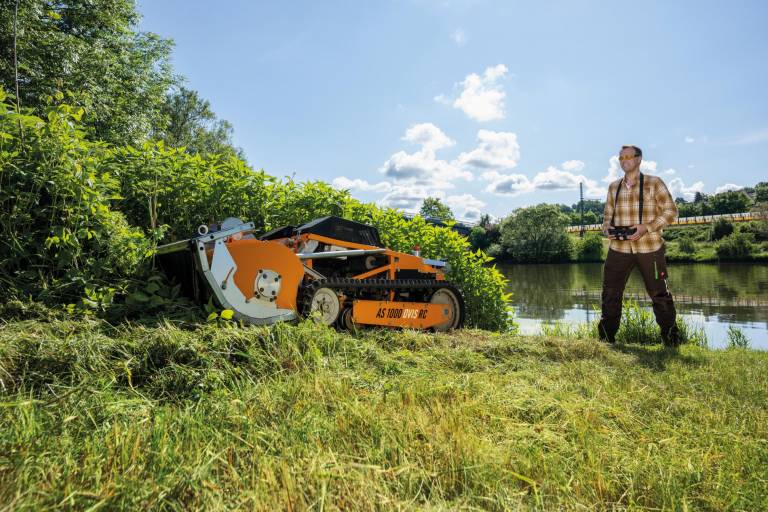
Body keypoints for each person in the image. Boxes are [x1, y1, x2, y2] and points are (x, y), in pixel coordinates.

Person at [599, 145, 680, 346]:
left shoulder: (654, 183)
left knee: (660, 295)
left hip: (650, 248)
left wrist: (647, 227)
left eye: (628, 156)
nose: (624, 160)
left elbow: (671, 212)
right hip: (619, 249)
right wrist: (607, 227)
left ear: (639, 159)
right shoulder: (613, 187)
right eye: (621, 157)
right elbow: (607, 218)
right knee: (610, 294)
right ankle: (606, 340)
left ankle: (670, 340)